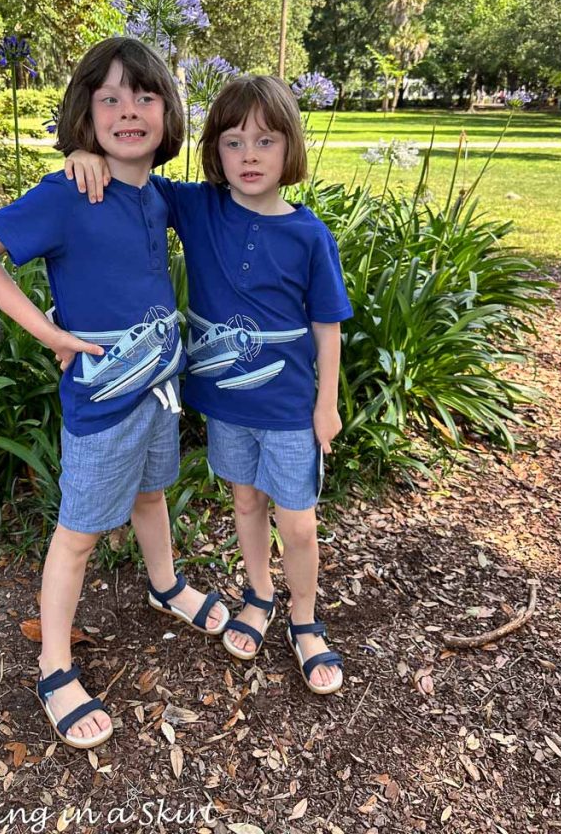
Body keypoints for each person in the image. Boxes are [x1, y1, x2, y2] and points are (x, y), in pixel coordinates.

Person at [0, 38, 229, 750]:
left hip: (157, 389)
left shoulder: (156, 193)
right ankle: (53, 665)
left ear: (168, 113)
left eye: (144, 96)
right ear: (85, 111)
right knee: (78, 535)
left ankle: (164, 586)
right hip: (101, 398)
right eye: (108, 98)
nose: (127, 110)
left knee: (150, 495)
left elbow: (236, 190)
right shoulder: (68, 192)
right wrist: (46, 333)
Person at [66, 75, 352, 694]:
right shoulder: (198, 208)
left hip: (289, 409)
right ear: (214, 153)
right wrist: (86, 152)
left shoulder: (309, 235)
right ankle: (259, 596)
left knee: (298, 523)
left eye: (265, 141)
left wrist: (326, 405)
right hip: (225, 406)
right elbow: (131, 175)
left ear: (289, 150)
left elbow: (327, 327)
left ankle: (305, 619)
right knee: (246, 503)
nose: (249, 156)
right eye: (232, 142)